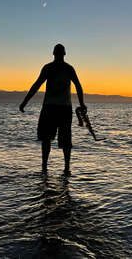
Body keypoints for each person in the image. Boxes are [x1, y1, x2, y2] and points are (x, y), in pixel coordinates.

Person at [19, 43, 86, 176]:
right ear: (63, 53)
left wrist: (25, 102)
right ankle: (62, 168)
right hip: (57, 108)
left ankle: (49, 168)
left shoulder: (56, 68)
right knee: (53, 139)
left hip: (55, 108)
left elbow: (36, 85)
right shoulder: (60, 68)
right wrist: (82, 104)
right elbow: (37, 85)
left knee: (51, 139)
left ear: (54, 53)